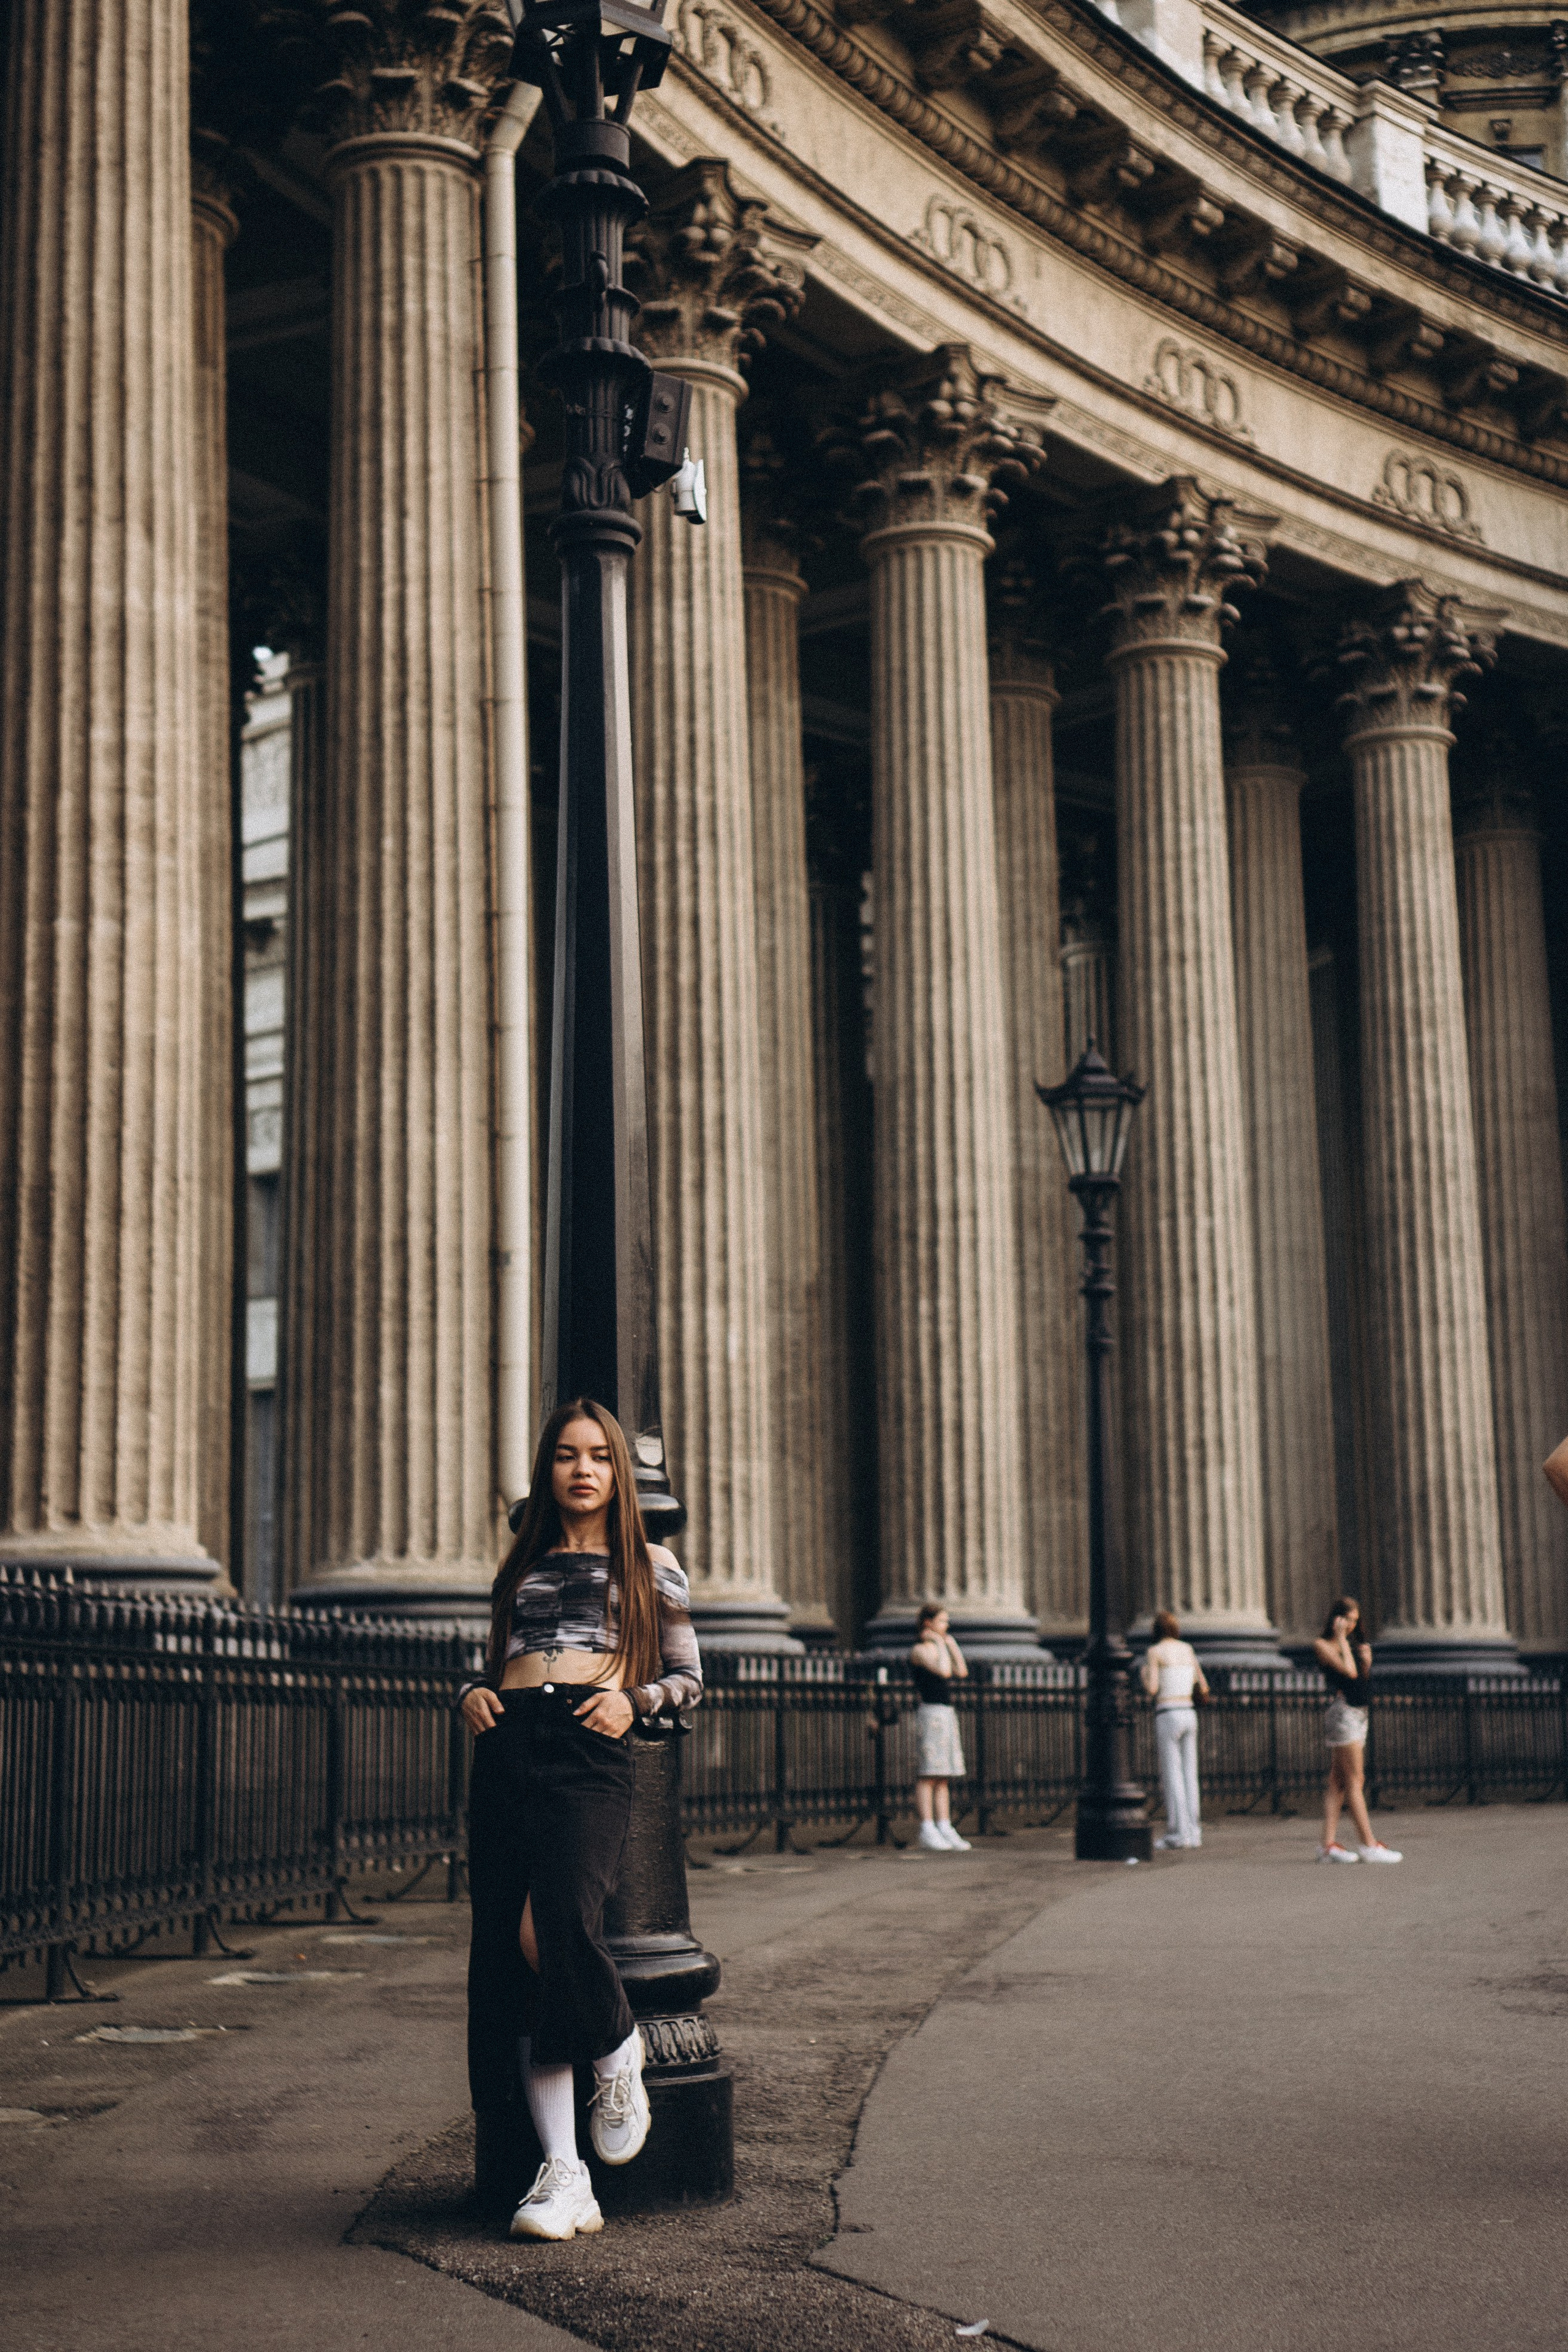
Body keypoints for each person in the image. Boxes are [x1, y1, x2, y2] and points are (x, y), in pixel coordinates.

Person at [461, 1398, 703, 2242]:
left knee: (556, 1925)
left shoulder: (650, 1562)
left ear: (618, 1473)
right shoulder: (521, 1565)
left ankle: (616, 2048)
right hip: (508, 1745)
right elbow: (490, 1658)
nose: (584, 1470)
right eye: (567, 1456)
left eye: (600, 1456)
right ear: (549, 1469)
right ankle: (565, 2176)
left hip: (587, 1747)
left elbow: (688, 1680)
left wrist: (631, 1702)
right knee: (515, 1961)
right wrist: (473, 1692)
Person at [1311, 1597, 1401, 1865]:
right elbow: (1348, 1672)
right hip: (1343, 1715)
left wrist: (1367, 1664)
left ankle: (1327, 1846)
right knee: (1355, 1780)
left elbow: (1360, 1679)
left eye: (1354, 1621)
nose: (1350, 1625)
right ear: (1335, 1619)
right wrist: (1341, 1641)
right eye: (1346, 1619)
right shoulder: (1324, 1645)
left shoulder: (1349, 1645)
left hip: (1358, 1713)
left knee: (1337, 1783)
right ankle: (1369, 1844)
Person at [1140, 1610, 1210, 1850]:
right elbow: (1202, 1683)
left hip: (1168, 1713)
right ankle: (1194, 1831)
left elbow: (1152, 1689)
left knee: (1173, 1774)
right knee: (1191, 1773)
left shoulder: (1155, 1651)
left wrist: (1144, 1675)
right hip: (1189, 1711)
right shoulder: (1187, 1649)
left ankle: (1178, 1832)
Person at [910, 1603, 971, 1852]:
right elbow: (945, 1671)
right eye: (942, 1621)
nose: (946, 1626)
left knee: (944, 1775)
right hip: (930, 1713)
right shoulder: (920, 1650)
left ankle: (944, 1824)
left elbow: (962, 1671)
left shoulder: (941, 1646)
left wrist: (952, 1645)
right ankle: (927, 1827)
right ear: (929, 1623)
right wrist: (940, 1644)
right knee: (929, 1773)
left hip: (945, 1713)